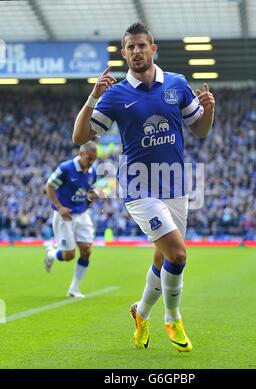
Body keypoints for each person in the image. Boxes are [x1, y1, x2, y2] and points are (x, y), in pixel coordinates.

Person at [73, 22, 215, 352]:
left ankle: (141, 311)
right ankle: (172, 316)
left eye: (142, 45)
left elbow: (201, 130)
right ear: (124, 54)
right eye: (130, 47)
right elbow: (78, 138)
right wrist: (93, 96)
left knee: (163, 257)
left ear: (153, 49)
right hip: (139, 189)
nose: (136, 51)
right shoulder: (116, 94)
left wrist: (209, 110)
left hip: (177, 186)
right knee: (178, 254)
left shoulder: (177, 84)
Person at [44, 141, 103, 298]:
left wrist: (94, 196)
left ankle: (74, 288)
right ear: (81, 154)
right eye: (89, 158)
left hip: (82, 214)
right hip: (65, 215)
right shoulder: (66, 168)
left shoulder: (93, 172)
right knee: (68, 255)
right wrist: (59, 206)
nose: (91, 162)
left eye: (94, 159)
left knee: (86, 250)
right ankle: (51, 254)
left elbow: (88, 192)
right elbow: (49, 187)